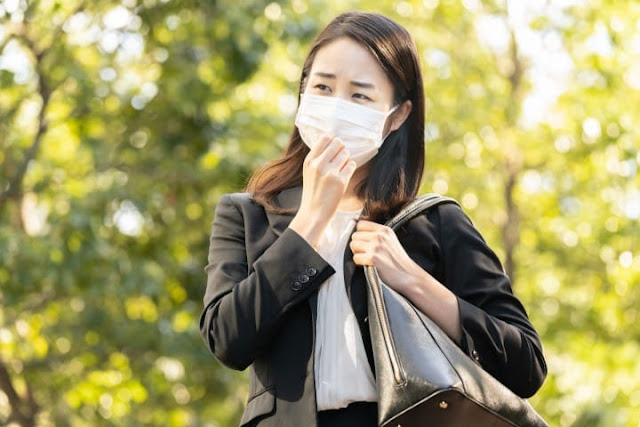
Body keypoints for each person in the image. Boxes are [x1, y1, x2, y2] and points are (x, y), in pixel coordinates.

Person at [200, 11, 546, 427]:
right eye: (323, 87)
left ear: (397, 116)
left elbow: (526, 365)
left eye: (359, 96)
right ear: (303, 93)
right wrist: (308, 223)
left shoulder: (434, 221)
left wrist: (413, 280)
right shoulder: (248, 214)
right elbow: (227, 340)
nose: (335, 108)